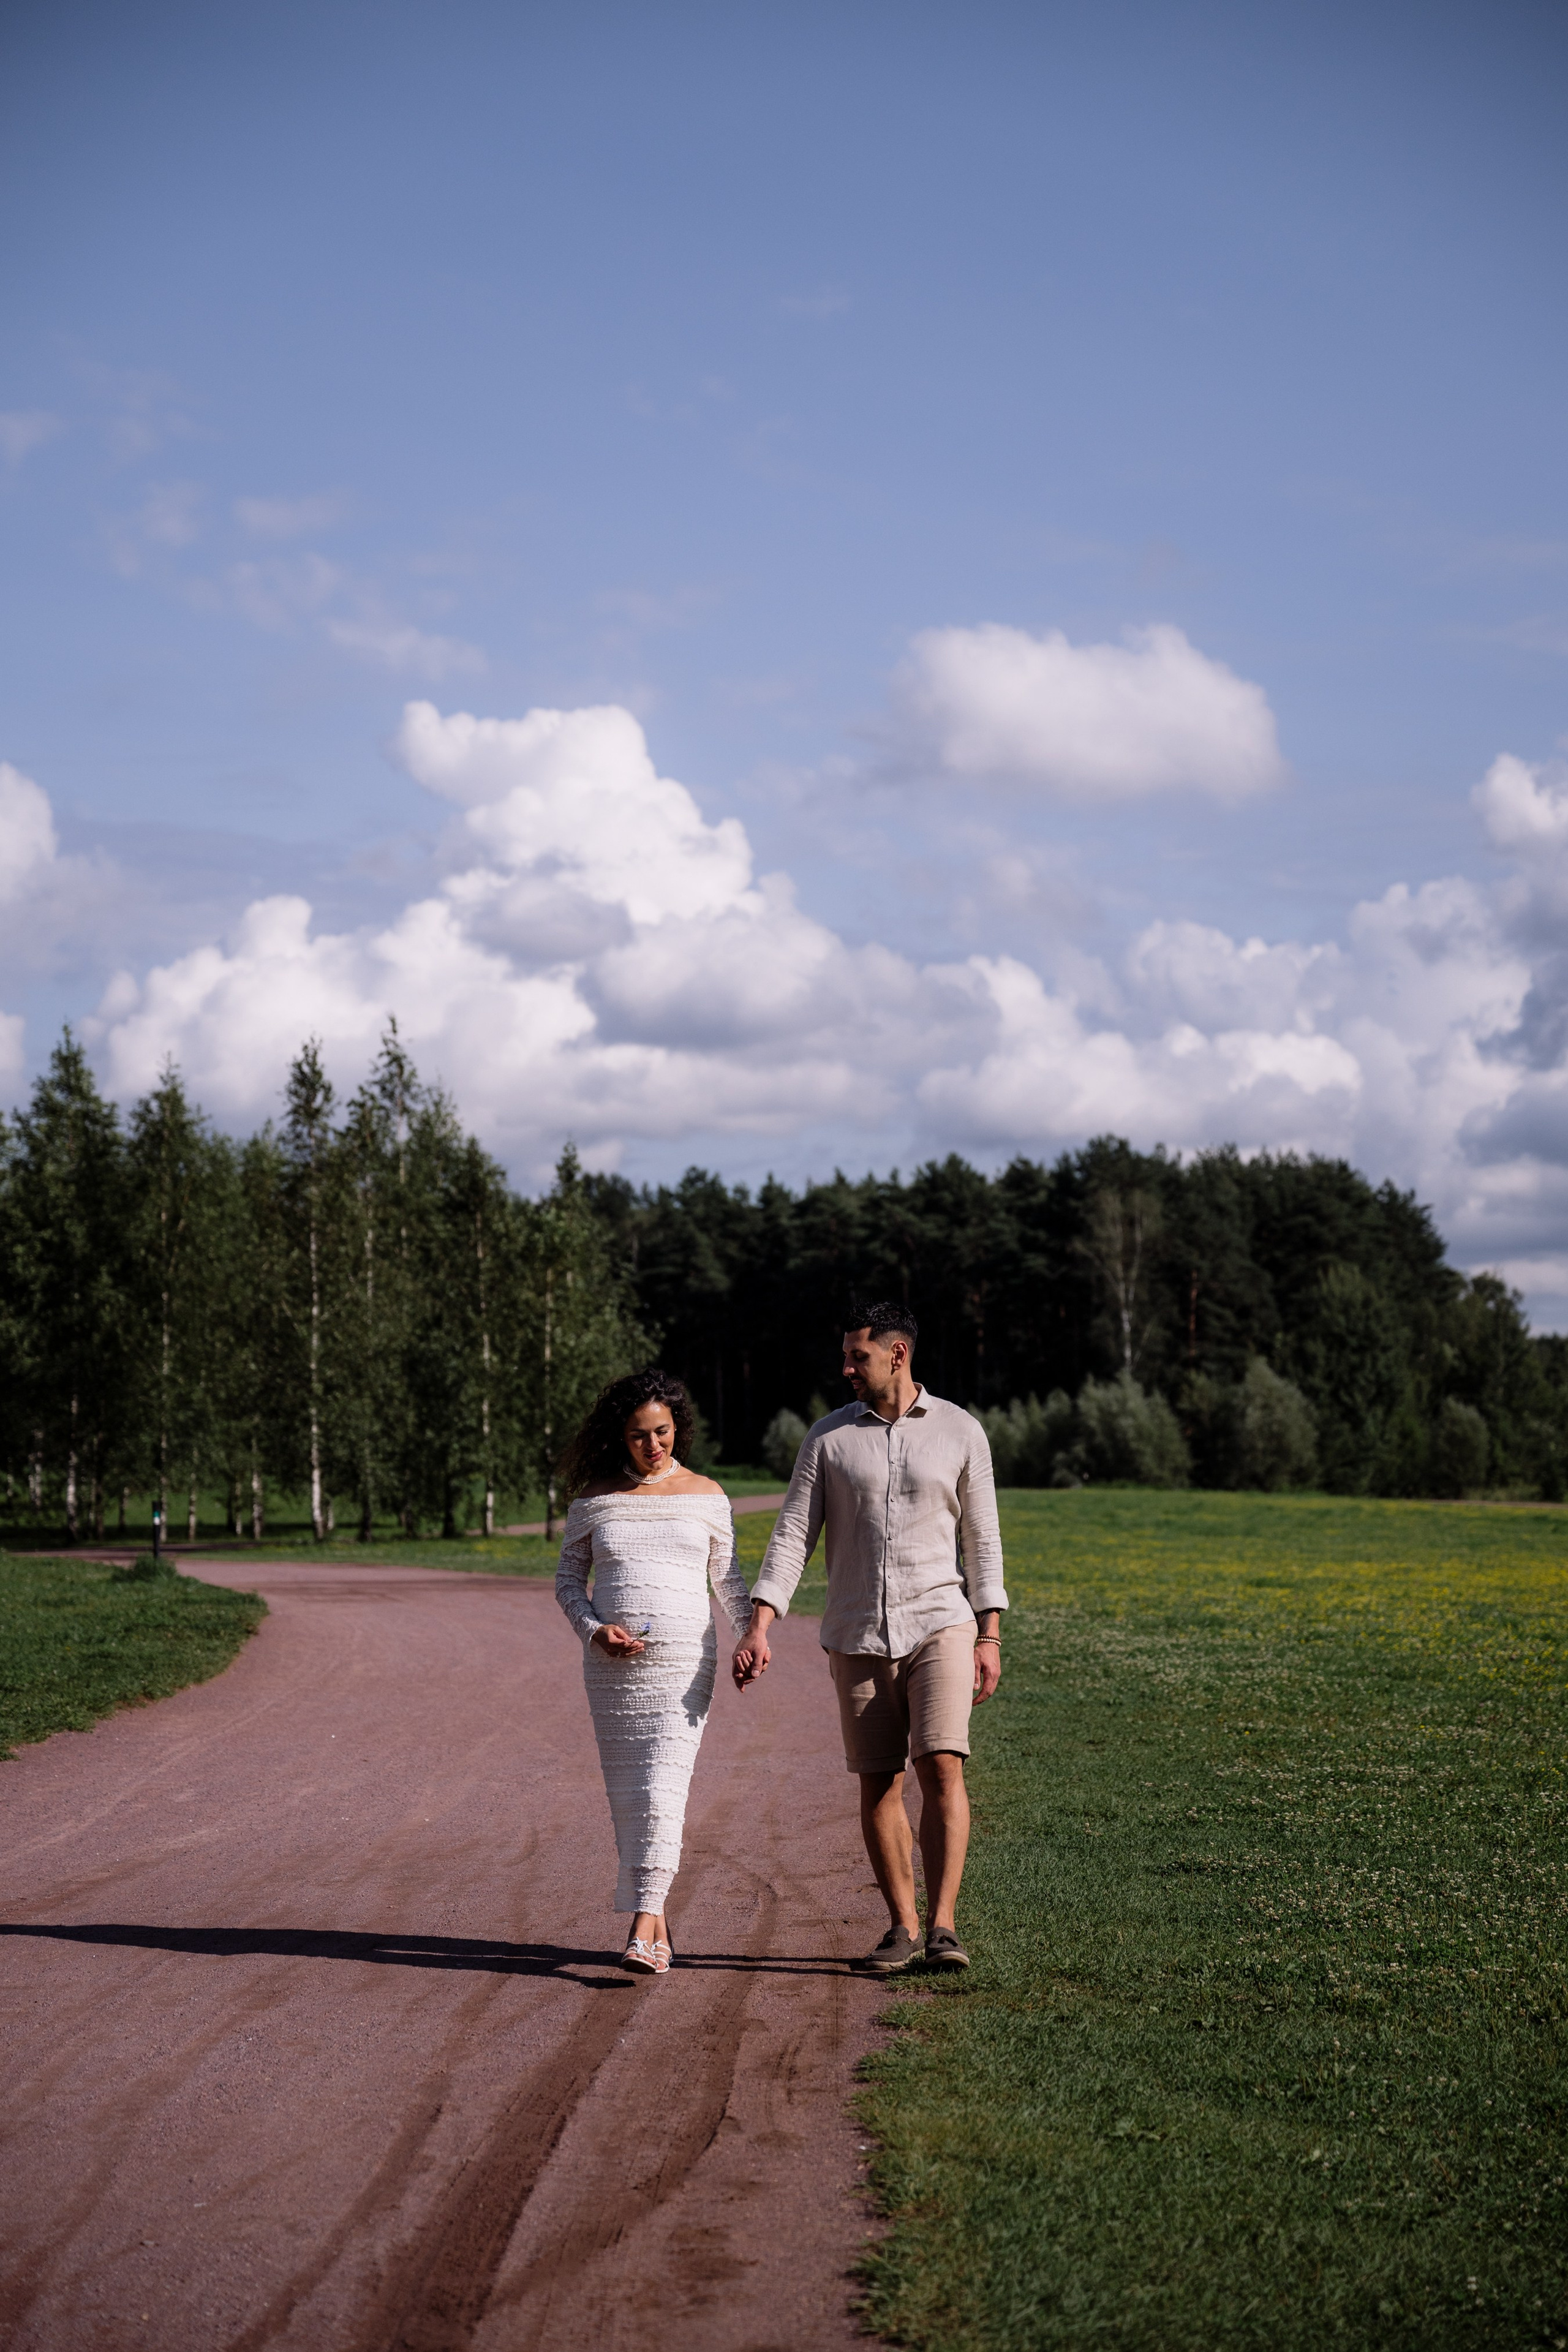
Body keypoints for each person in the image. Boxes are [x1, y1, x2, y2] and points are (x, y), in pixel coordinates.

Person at [731, 1303, 1005, 1973]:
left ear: (898, 1353)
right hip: (854, 1631)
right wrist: (761, 1622)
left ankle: (943, 1927)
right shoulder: (827, 1440)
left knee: (941, 1763)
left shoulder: (960, 1431)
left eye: (858, 1356)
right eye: (846, 1356)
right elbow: (794, 1533)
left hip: (940, 1621)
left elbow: (983, 1538)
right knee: (878, 1781)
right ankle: (902, 1927)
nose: (846, 1368)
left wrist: (989, 1630)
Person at [555, 1368, 753, 1975]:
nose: (653, 1446)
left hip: (685, 1668)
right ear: (621, 1436)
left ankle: (642, 1928)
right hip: (612, 1674)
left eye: (662, 1432)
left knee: (663, 1789)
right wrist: (594, 1631)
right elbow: (568, 1581)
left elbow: (730, 1581)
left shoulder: (707, 1494)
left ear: (677, 1428)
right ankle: (659, 1924)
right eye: (640, 1435)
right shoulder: (595, 1498)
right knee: (631, 1798)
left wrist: (752, 1635)